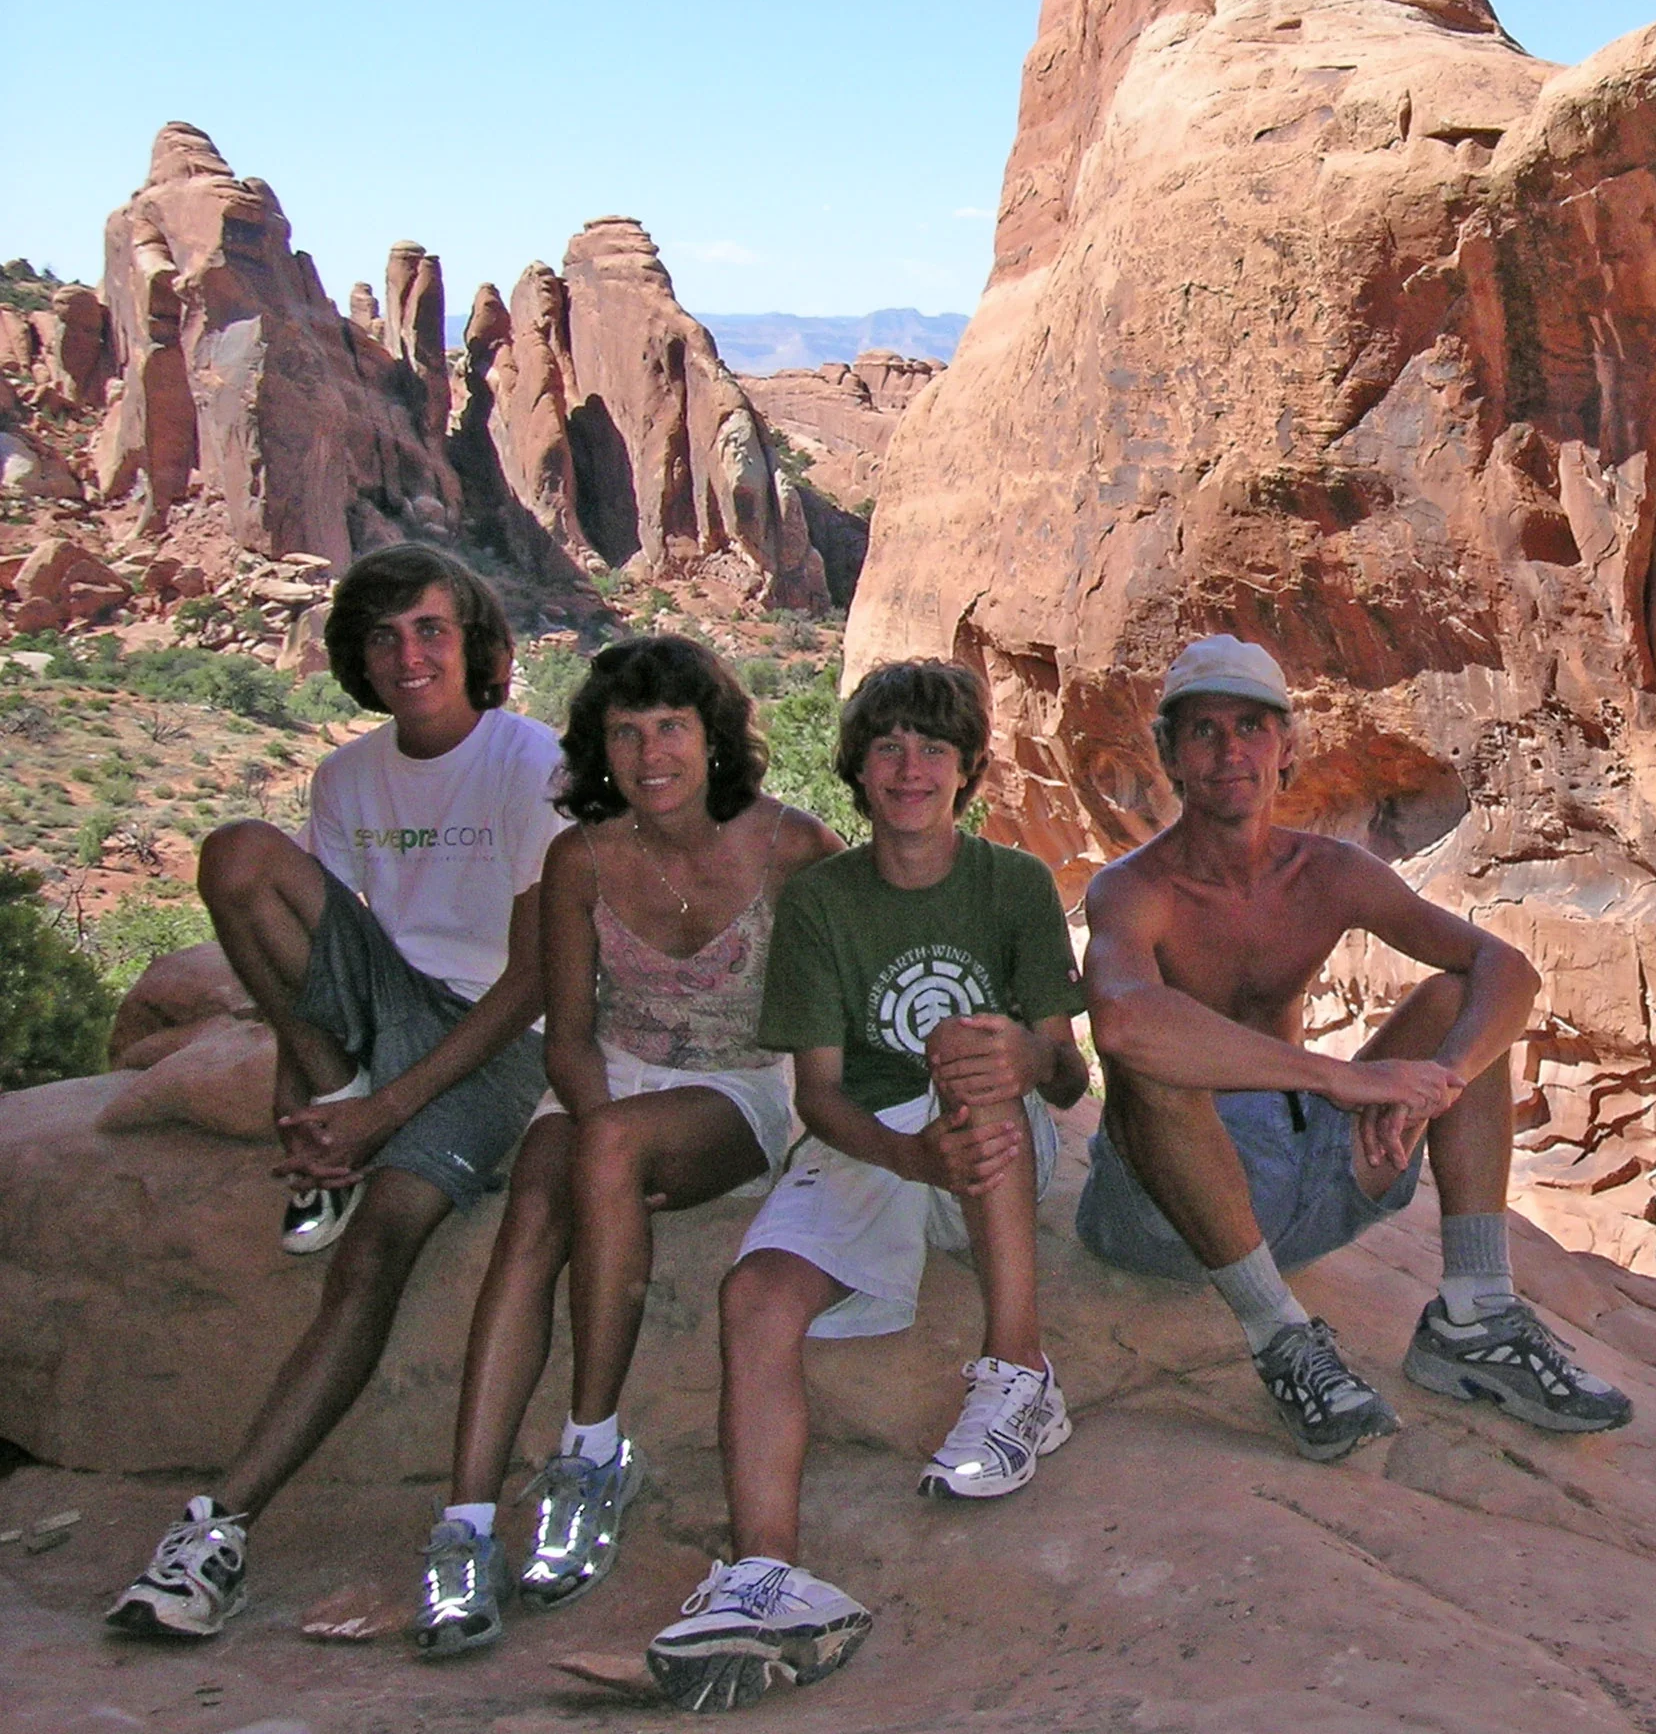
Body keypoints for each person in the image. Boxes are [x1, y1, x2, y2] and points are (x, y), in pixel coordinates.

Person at [106, 545, 564, 1642]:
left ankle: (215, 1530)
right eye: (382, 636)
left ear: (477, 647)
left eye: (430, 630)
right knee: (236, 855)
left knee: (374, 1252)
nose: (407, 654)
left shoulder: (528, 760)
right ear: (358, 659)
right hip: (389, 1008)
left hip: (500, 1038)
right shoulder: (347, 776)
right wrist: (310, 1099)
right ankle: (331, 1119)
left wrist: (388, 1111)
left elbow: (537, 976)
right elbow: (308, 951)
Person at [641, 659, 1088, 1714]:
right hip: (875, 1143)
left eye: (934, 747)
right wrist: (903, 1158)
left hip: (996, 1127)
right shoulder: (825, 901)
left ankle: (1019, 1371)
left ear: (968, 770)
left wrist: (1018, 1060)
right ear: (857, 764)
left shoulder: (1012, 884)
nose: (910, 767)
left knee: (974, 1057)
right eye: (887, 745)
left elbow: (1064, 1069)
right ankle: (764, 1575)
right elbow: (824, 1093)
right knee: (753, 1295)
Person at [1069, 635, 1631, 1463]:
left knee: (1454, 1002)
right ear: (1170, 757)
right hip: (1172, 1213)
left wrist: (1440, 1082)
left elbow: (1504, 969)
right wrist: (1342, 1080)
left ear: (1287, 748)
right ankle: (1281, 1338)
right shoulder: (1133, 890)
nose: (1230, 753)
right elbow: (1120, 1024)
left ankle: (1473, 1315)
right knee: (1155, 1054)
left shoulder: (1329, 872)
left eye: (1251, 729)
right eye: (1203, 732)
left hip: (1310, 1182)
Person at [412, 637, 844, 1657]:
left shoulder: (792, 846)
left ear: (712, 737)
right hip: (611, 1073)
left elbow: (851, 983)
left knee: (596, 1158)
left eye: (671, 727)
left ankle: (592, 1450)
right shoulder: (582, 857)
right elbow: (566, 1031)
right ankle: (464, 1524)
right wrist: (604, 1131)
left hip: (733, 1089)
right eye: (625, 732)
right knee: (538, 1201)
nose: (650, 752)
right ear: (599, 748)